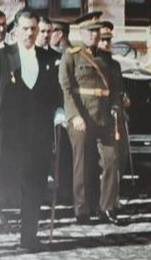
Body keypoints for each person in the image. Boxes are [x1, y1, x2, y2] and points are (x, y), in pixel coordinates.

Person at [0, 9, 61, 250]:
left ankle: (28, 237)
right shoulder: (3, 56)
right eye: (25, 29)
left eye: (33, 29)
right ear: (15, 31)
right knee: (7, 177)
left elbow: (55, 92)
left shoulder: (48, 58)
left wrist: (59, 111)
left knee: (34, 182)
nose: (30, 33)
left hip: (38, 131)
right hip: (10, 132)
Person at [59, 19, 123, 225]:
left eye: (97, 31)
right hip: (81, 117)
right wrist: (74, 115)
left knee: (111, 160)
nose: (94, 35)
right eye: (90, 31)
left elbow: (115, 89)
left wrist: (115, 107)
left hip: (103, 117)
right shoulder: (71, 56)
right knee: (82, 164)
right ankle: (82, 209)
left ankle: (107, 207)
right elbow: (66, 90)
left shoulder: (107, 60)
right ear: (82, 33)